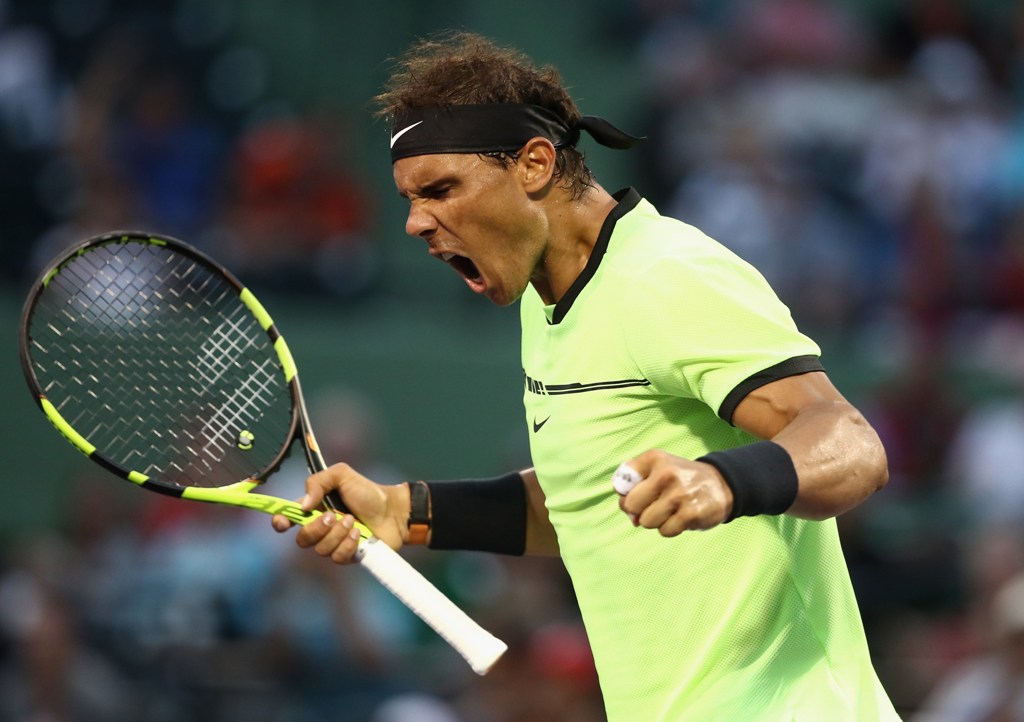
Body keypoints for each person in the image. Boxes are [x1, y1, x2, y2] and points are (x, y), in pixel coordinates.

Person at [272, 31, 899, 721]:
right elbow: (583, 499)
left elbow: (852, 445)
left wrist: (722, 482)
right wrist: (406, 511)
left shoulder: (667, 277)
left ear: (534, 164)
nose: (417, 222)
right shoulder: (545, 299)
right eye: (408, 200)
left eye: (441, 189)